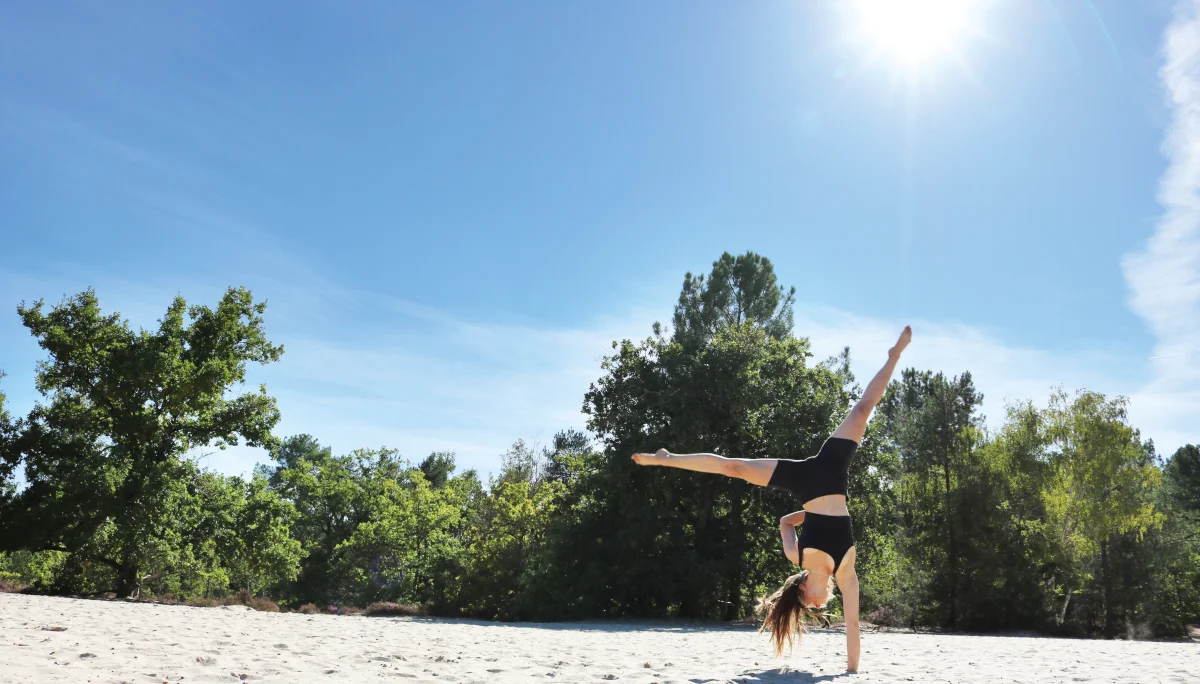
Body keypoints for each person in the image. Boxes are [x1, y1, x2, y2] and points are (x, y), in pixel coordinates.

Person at [631, 326, 912, 672]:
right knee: (861, 411)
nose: (821, 609)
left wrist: (810, 515)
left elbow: (784, 521)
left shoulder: (796, 556)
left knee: (736, 466)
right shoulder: (846, 574)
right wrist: (852, 673)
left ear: (805, 594)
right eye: (819, 611)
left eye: (812, 609)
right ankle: (667, 458)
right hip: (832, 473)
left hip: (807, 483)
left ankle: (892, 356)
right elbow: (853, 626)